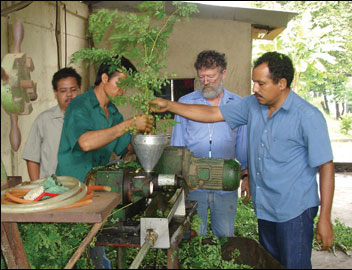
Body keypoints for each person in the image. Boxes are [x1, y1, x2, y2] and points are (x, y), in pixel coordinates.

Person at [150, 51, 335, 269]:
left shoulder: (307, 116)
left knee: (294, 264)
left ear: (282, 83)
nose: (255, 88)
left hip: (295, 210)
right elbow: (211, 114)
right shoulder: (252, 106)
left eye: (261, 83)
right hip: (265, 207)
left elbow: (326, 167)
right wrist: (170, 106)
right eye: (254, 82)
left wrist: (324, 218)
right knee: (271, 263)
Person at [56, 57, 153, 269]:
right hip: (72, 193)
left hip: (95, 193)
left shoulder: (113, 112)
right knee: (73, 252)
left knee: (94, 249)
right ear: (104, 78)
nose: (123, 91)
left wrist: (145, 135)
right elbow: (86, 142)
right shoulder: (79, 105)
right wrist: (129, 124)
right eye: (121, 84)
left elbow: (125, 147)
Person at [171, 50, 249, 237]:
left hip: (226, 182)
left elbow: (243, 144)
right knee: (194, 235)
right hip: (193, 183)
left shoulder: (238, 104)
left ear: (223, 74)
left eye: (211, 76)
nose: (206, 82)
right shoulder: (185, 103)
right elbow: (177, 144)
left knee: (225, 236)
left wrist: (246, 175)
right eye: (201, 77)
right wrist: (176, 179)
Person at [23, 67, 81, 180]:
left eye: (73, 90)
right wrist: (38, 188)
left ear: (79, 90)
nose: (69, 94)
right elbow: (32, 158)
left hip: (83, 188)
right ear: (55, 93)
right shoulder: (43, 120)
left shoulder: (90, 119)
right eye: (63, 91)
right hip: (51, 190)